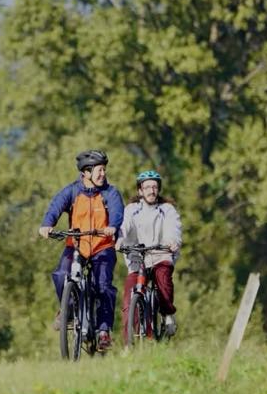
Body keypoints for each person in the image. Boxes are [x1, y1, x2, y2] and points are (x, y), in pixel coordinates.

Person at [39, 150, 124, 351]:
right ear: (86, 172)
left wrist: (113, 225)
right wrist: (47, 224)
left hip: (102, 247)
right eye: (99, 170)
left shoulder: (110, 193)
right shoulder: (72, 191)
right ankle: (67, 310)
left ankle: (103, 331)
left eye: (104, 169)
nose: (103, 173)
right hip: (76, 245)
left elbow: (117, 211)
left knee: (103, 286)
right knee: (61, 275)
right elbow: (55, 207)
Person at [116, 170, 182, 340]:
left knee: (163, 280)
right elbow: (125, 225)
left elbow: (173, 228)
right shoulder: (132, 209)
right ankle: (129, 343)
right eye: (147, 187)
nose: (151, 190)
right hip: (138, 258)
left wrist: (172, 241)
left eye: (154, 187)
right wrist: (120, 239)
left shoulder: (166, 209)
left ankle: (167, 314)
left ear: (158, 189)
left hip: (161, 255)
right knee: (130, 298)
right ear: (140, 191)